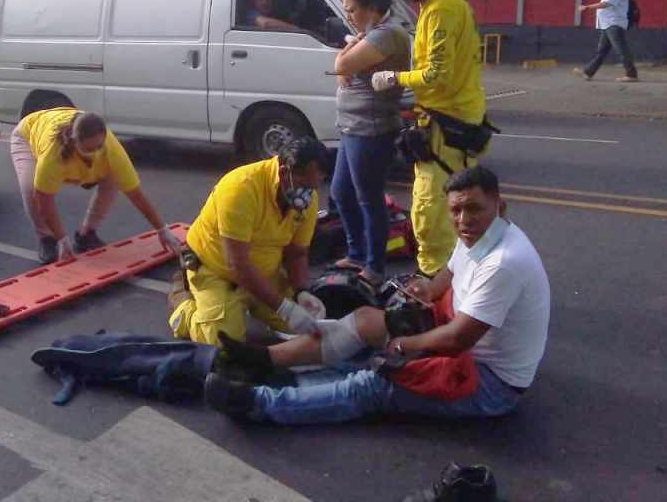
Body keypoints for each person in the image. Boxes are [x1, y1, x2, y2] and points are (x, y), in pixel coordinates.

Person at [204, 166, 551, 424]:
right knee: (366, 322)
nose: (463, 219)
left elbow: (456, 340)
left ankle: (256, 404)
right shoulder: (481, 234)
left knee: (375, 383)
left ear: (499, 207)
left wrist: (404, 346)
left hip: (489, 381)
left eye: (473, 208)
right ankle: (263, 360)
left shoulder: (504, 263)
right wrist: (427, 289)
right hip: (456, 335)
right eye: (456, 210)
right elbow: (450, 272)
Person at [369, 0, 490, 277]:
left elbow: (436, 73)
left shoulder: (440, 7)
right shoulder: (440, 2)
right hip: (452, 118)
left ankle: (434, 285)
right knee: (459, 207)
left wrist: (394, 78)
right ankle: (459, 280)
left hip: (448, 124)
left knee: (430, 212)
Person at [167, 137, 331, 344]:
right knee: (224, 342)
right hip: (218, 271)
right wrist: (284, 308)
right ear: (284, 172)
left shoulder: (308, 199)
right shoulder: (240, 189)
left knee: (308, 327)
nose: (306, 196)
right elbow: (238, 264)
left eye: (313, 188)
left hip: (264, 273)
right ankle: (183, 302)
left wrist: (301, 292)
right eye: (301, 185)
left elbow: (296, 252)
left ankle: (248, 302)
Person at [10, 107, 182, 264]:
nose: (95, 153)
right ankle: (47, 239)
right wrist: (61, 237)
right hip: (28, 135)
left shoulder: (112, 150)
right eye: (88, 149)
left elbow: (135, 192)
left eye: (99, 146)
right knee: (31, 189)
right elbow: (44, 200)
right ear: (74, 141)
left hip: (74, 152)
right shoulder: (54, 154)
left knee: (115, 178)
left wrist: (162, 229)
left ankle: (86, 234)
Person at [330, 0, 412, 286]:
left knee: (369, 199)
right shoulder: (374, 32)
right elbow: (345, 61)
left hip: (371, 130)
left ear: (372, 7)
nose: (347, 17)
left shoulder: (387, 34)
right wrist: (346, 56)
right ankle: (356, 253)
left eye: (351, 10)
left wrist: (343, 59)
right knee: (340, 193)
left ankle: (375, 268)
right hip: (353, 127)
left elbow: (341, 66)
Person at [574, 0, 638, 82]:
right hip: (607, 24)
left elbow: (607, 4)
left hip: (614, 24)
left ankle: (631, 74)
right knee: (602, 51)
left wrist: (588, 7)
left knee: (621, 49)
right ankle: (588, 72)